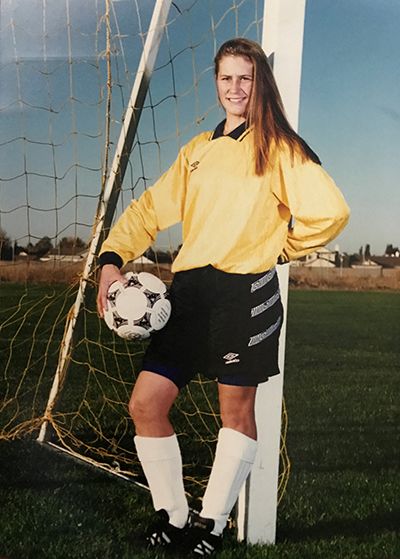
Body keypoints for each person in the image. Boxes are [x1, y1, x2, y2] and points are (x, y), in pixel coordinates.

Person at [97, 37, 350, 556]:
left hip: (243, 294)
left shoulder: (279, 148)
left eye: (246, 77)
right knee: (146, 404)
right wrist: (110, 261)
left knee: (235, 411)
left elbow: (332, 212)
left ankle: (209, 524)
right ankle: (173, 514)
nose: (235, 88)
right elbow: (147, 210)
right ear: (216, 84)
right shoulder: (197, 151)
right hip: (188, 294)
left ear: (260, 83)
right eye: (226, 78)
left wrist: (280, 250)